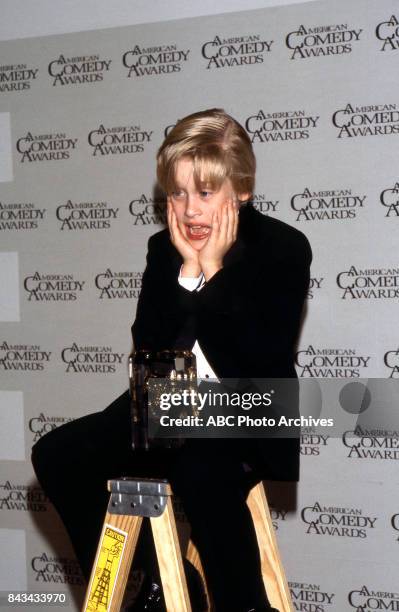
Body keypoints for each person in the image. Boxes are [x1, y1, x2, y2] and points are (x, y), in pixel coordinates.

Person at [31, 108, 312, 612]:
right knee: (57, 453)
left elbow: (257, 354)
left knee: (201, 463)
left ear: (241, 190)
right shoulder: (163, 248)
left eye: (204, 193)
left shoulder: (284, 248)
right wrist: (187, 272)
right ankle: (159, 576)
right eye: (177, 193)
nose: (188, 209)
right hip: (166, 407)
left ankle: (245, 603)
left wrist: (214, 273)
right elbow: (148, 349)